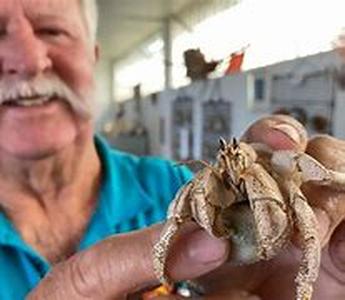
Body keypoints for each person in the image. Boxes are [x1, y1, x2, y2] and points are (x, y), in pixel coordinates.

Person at [0, 1, 344, 300]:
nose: (27, 60)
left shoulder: (172, 185)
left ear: (93, 56)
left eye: (52, 30)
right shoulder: (192, 199)